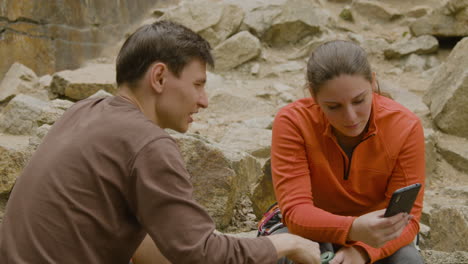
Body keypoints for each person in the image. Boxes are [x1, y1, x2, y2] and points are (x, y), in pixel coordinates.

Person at [0, 21, 321, 264]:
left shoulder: (85, 111)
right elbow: (201, 252)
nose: (204, 101)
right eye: (197, 84)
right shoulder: (147, 143)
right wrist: (284, 244)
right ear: (159, 77)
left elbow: (152, 244)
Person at [270, 40, 425, 264]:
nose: (350, 117)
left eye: (359, 100)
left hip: (380, 234)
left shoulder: (405, 126)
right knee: (281, 254)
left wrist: (361, 252)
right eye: (334, 107)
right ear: (313, 95)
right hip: (308, 229)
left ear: (373, 81)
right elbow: (295, 212)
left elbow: (408, 219)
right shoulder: (293, 122)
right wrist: (352, 228)